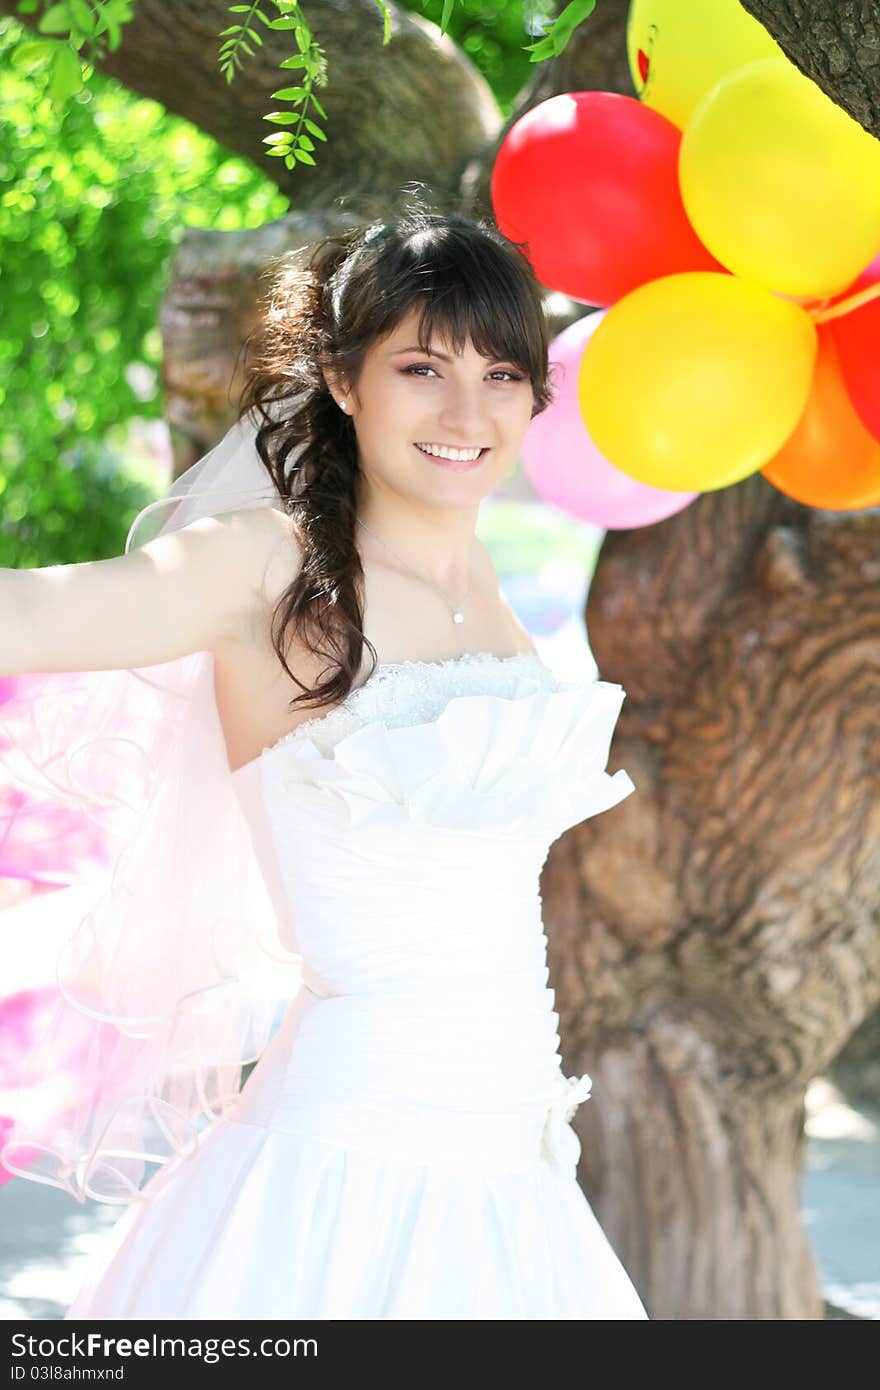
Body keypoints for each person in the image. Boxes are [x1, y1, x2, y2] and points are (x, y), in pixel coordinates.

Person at [0, 201, 648, 1319]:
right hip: (342, 1165)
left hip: (516, 1167)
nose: (465, 411)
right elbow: (30, 615)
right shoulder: (267, 568)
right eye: (420, 368)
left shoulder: (489, 595)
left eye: (502, 375)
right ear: (345, 382)